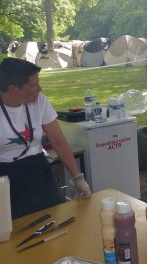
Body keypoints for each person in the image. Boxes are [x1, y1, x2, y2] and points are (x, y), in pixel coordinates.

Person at [0, 57, 91, 219]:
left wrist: (78, 178)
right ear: (13, 89)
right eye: (33, 85)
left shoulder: (40, 102)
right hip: (6, 178)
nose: (39, 89)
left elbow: (58, 141)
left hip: (38, 170)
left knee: (54, 221)